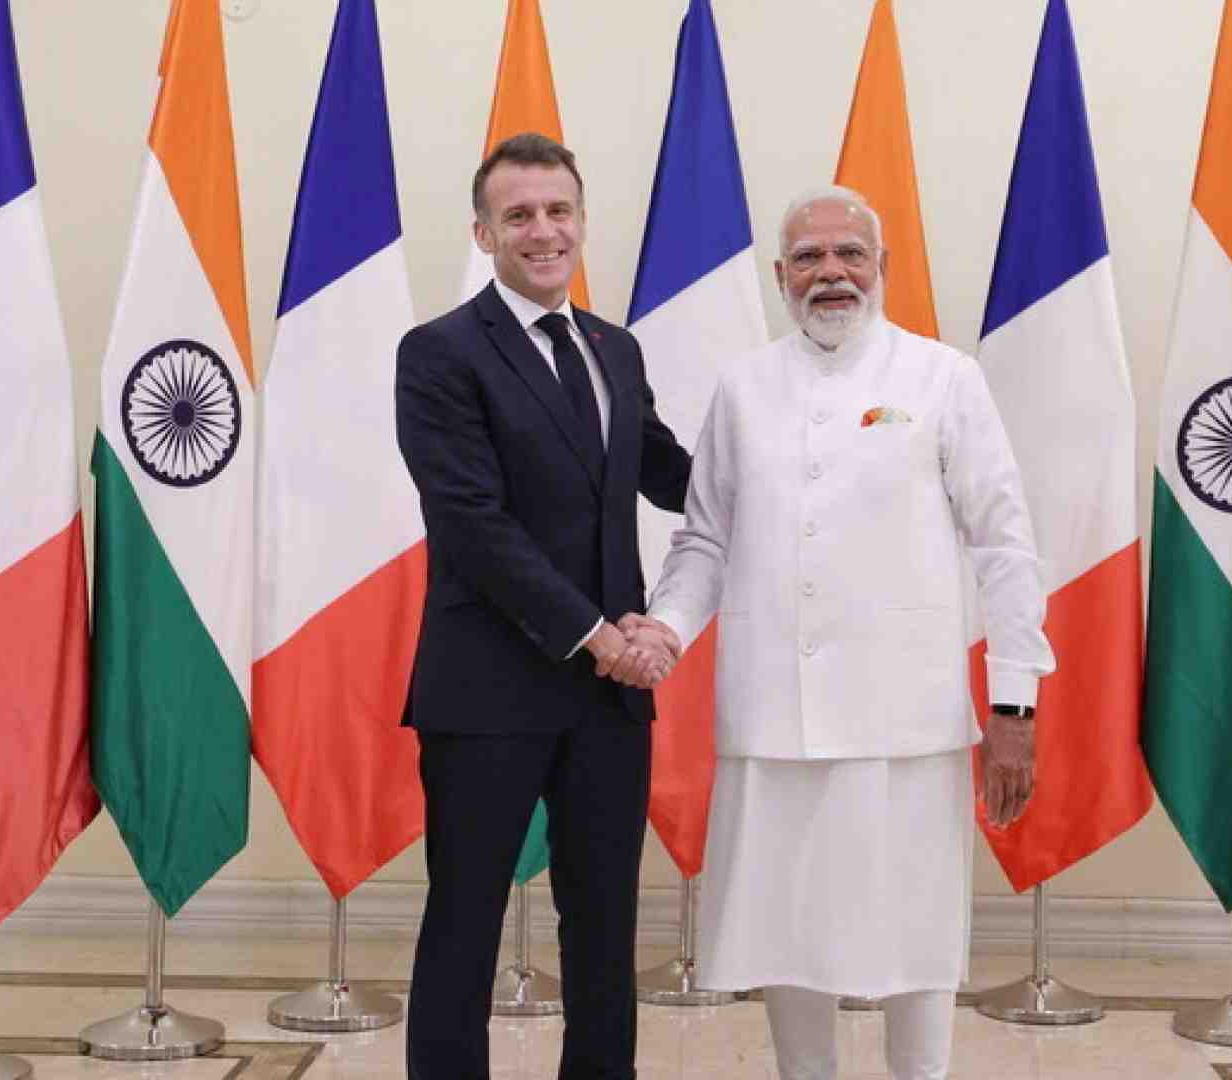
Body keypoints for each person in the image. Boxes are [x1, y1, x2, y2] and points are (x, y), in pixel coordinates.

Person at [634, 185, 1051, 1080]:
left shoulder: (944, 377)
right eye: (810, 258)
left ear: (882, 267)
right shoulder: (744, 386)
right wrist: (664, 630)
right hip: (772, 718)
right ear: (780, 276)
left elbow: (1005, 546)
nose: (831, 273)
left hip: (905, 722)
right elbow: (705, 539)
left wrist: (1014, 701)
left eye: (850, 254)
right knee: (785, 934)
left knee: (915, 936)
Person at [394, 132, 689, 1080]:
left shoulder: (614, 348)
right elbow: (472, 526)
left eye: (559, 210)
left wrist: (805, 470)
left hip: (609, 700)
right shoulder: (438, 352)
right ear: (483, 233)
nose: (543, 230)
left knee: (604, 923)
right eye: (518, 214)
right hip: (488, 689)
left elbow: (670, 473)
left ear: (582, 222)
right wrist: (598, 636)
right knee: (465, 922)